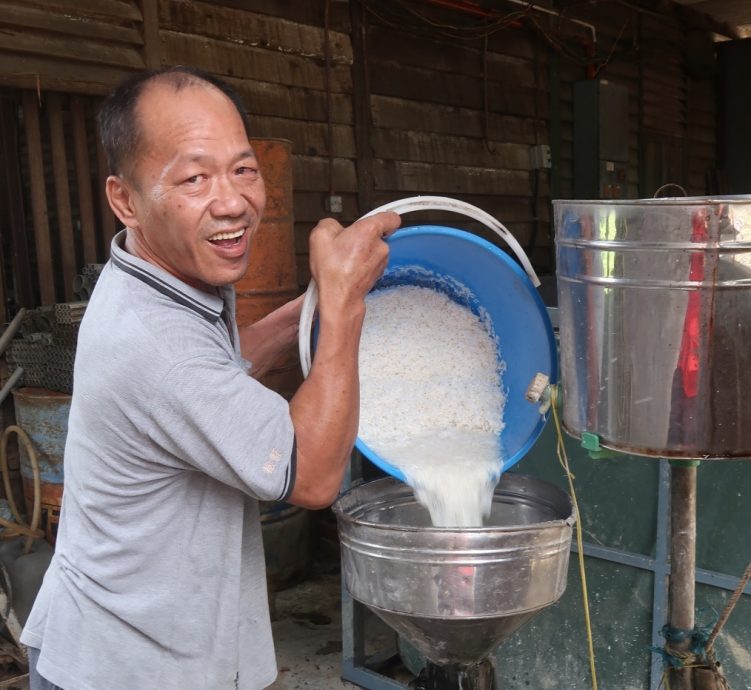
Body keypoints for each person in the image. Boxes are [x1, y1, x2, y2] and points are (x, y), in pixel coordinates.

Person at [20, 65, 400, 690]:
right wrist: (343, 308)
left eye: (243, 169)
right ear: (126, 200)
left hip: (154, 643)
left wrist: (305, 308)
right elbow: (311, 474)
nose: (232, 202)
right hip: (126, 671)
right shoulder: (154, 341)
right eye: (194, 178)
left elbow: (215, 371)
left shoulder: (150, 274)